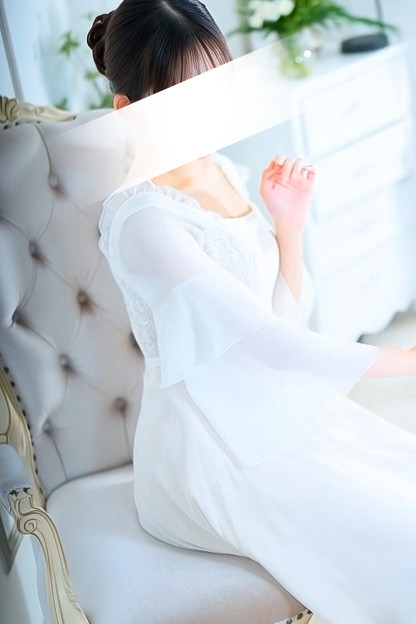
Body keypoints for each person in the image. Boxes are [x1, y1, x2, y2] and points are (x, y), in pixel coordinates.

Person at [88, 2, 416, 623]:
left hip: (267, 405)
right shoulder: (143, 220)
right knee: (395, 533)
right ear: (129, 110)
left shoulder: (222, 171)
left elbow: (285, 318)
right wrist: (403, 360)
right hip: (207, 448)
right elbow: (264, 341)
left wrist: (289, 225)